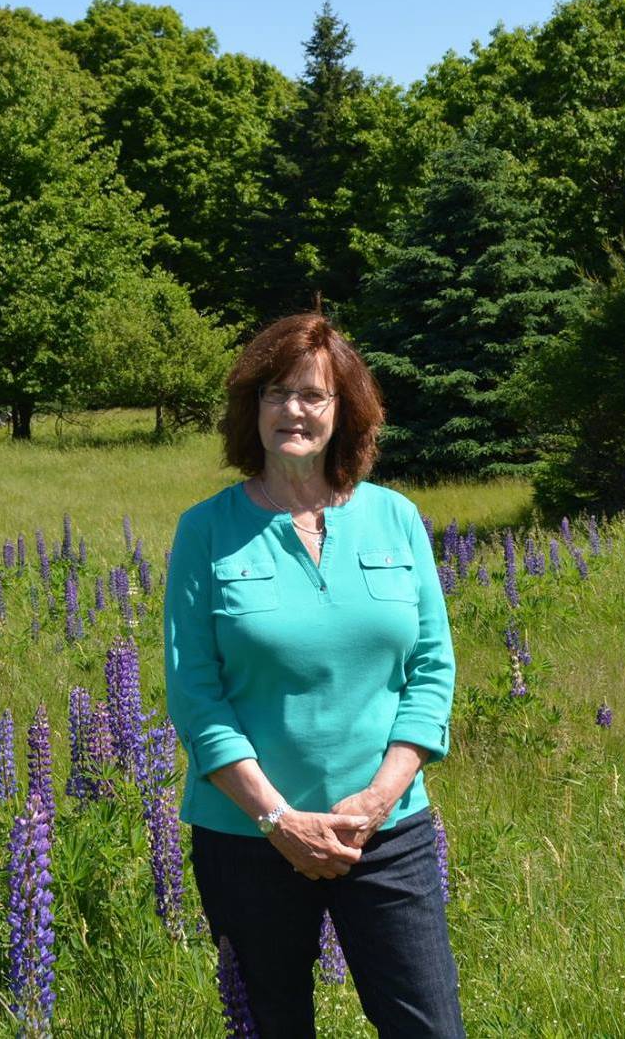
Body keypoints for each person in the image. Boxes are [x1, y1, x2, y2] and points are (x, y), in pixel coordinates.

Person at [165, 312, 464, 1038]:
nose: (291, 409)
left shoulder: (395, 518)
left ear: (344, 411)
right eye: (274, 392)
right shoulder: (205, 530)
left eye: (312, 394)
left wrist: (375, 799)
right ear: (251, 408)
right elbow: (196, 696)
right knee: (271, 1024)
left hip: (385, 831)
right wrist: (277, 818)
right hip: (247, 837)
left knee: (429, 1026)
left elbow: (430, 672)